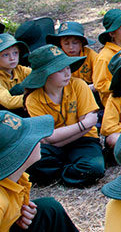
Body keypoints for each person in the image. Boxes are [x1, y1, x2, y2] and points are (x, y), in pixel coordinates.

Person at [23, 45, 105, 187]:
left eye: (67, 67)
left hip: (84, 140)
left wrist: (55, 140)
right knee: (31, 163)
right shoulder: (33, 99)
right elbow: (50, 136)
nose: (67, 73)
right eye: (60, 70)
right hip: (55, 147)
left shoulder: (79, 85)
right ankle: (71, 168)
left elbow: (88, 128)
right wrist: (82, 125)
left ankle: (59, 172)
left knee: (94, 169)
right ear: (45, 74)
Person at [47, 21, 99, 90]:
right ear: (60, 43)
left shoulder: (91, 56)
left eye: (75, 43)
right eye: (66, 43)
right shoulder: (56, 58)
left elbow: (100, 80)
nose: (71, 47)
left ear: (82, 42)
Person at [0, 33, 30, 113]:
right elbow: (9, 102)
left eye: (15, 53)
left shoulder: (19, 70)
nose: (12, 58)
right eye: (6, 55)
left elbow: (38, 76)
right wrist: (35, 97)